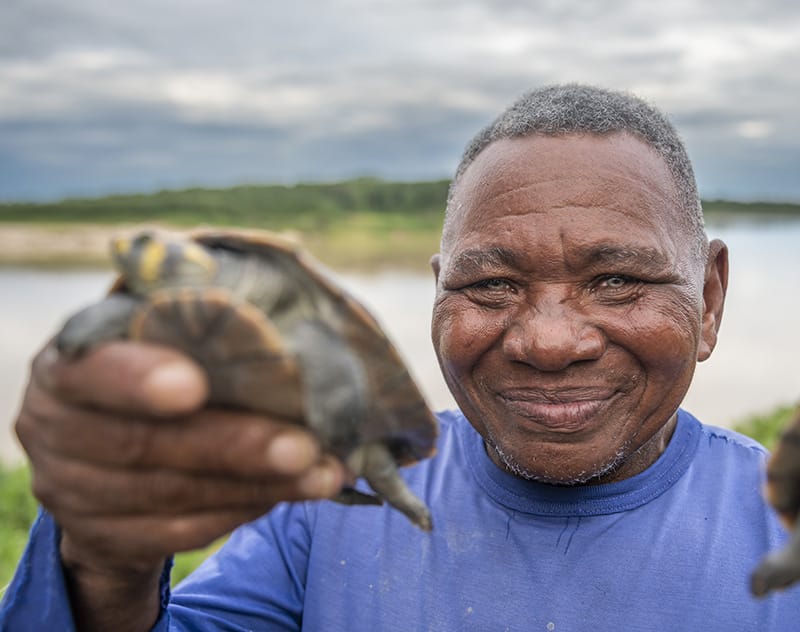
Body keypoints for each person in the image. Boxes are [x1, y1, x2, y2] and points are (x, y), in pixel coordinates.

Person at [2, 83, 798, 631]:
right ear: (437, 294)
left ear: (710, 298)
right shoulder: (324, 503)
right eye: (489, 284)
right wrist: (104, 560)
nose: (549, 342)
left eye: (617, 280)